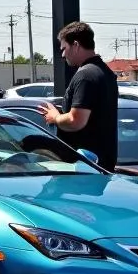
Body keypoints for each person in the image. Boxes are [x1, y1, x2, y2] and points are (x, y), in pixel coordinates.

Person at [44, 21, 119, 169]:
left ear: (76, 45)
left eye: (64, 48)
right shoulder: (105, 73)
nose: (63, 54)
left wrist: (55, 117)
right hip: (100, 163)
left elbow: (76, 120)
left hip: (85, 167)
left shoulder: (86, 75)